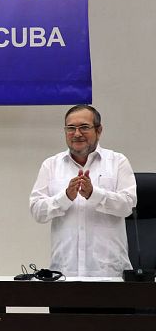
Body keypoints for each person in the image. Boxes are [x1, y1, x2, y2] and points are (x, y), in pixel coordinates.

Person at [29, 104, 137, 278]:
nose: (77, 134)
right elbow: (37, 211)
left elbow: (127, 206)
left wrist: (94, 195)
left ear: (99, 130)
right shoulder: (51, 165)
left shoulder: (117, 162)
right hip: (64, 273)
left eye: (84, 127)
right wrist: (65, 197)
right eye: (71, 128)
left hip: (109, 274)